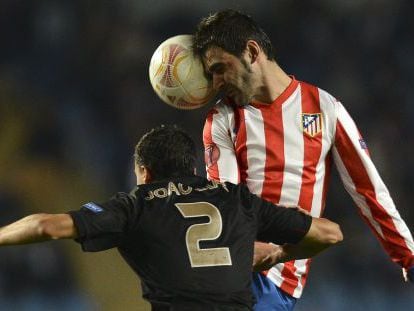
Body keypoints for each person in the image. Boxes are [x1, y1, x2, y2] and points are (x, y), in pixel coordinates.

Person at [193, 9, 414, 311]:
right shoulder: (223, 119)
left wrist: (408, 256)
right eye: (211, 74)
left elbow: (368, 190)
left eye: (220, 68)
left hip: (280, 284)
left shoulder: (325, 108)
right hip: (239, 274)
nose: (216, 82)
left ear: (251, 51)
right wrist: (243, 247)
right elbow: (227, 200)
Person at [0, 125, 343, 310]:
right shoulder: (236, 198)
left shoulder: (138, 204)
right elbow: (329, 234)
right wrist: (279, 255)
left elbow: (45, 225)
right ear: (192, 168)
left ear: (145, 173)